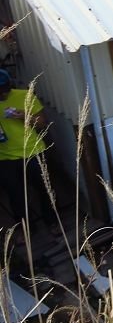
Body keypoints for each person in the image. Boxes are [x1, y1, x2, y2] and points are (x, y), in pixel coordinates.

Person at [0, 69, 52, 232]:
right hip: (5, 157)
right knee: (16, 195)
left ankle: (52, 223)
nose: (2, 96)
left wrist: (24, 115)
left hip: (33, 151)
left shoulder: (24, 95)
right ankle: (27, 230)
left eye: (4, 92)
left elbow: (43, 123)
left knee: (45, 189)